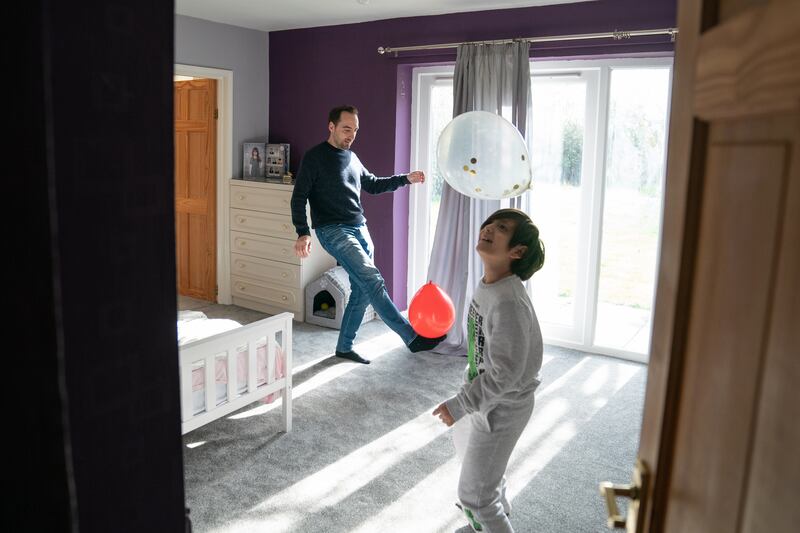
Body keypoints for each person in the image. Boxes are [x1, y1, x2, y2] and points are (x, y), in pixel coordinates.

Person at [291, 105, 446, 364]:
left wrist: (405, 178)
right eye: (346, 129)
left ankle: (344, 347)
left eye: (355, 130)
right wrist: (302, 232)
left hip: (359, 227)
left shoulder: (352, 157)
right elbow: (299, 197)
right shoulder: (314, 157)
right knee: (372, 279)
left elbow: (372, 184)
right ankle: (411, 337)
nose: (351, 134)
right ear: (331, 127)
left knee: (362, 291)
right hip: (333, 230)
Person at [432, 208, 545, 533]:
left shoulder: (509, 301)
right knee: (479, 472)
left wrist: (460, 404)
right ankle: (492, 519)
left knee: (475, 495)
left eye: (502, 227)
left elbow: (505, 375)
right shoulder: (490, 285)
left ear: (517, 251)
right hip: (482, 395)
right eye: (490, 223)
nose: (490, 228)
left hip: (502, 407)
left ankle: (489, 517)